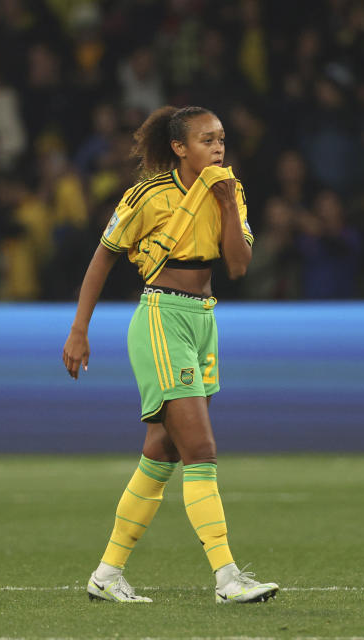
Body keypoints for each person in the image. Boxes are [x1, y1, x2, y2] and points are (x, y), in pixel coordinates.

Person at [62, 106, 278, 604]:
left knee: (164, 451)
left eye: (222, 138)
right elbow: (105, 255)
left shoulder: (233, 191)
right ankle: (227, 578)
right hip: (163, 317)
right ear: (180, 148)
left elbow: (239, 266)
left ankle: (106, 574)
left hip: (205, 318)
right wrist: (79, 329)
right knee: (200, 450)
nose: (219, 147)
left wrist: (226, 204)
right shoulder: (149, 195)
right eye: (207, 140)